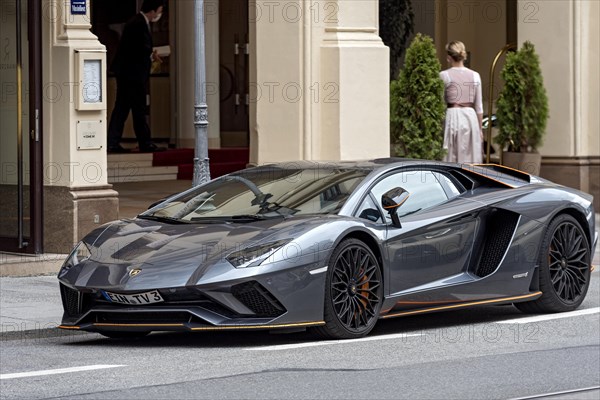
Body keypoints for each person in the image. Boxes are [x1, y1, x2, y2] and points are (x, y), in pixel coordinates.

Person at [107, 0, 165, 153]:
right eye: (159, 10)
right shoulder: (138, 24)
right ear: (152, 10)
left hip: (128, 74)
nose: (159, 14)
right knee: (138, 109)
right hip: (132, 75)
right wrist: (151, 56)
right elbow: (137, 51)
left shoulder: (136, 22)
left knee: (122, 108)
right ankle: (144, 142)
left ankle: (113, 142)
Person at [440, 41, 483, 164]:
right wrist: (479, 129)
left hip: (452, 116)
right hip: (470, 117)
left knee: (451, 154)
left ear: (448, 57)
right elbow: (479, 107)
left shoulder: (444, 75)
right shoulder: (475, 76)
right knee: (470, 155)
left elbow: (440, 102)